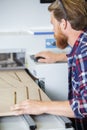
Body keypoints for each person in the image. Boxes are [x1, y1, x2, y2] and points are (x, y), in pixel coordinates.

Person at [11, 0, 87, 129]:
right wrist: (60, 57)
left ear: (63, 24)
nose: (53, 30)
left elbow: (84, 105)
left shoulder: (83, 53)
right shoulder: (82, 43)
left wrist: (42, 106)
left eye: (53, 25)